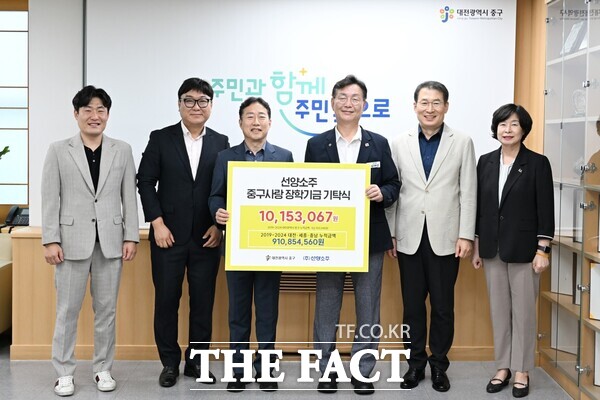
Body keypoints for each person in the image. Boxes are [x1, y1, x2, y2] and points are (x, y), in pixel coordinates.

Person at [304, 75, 400, 395]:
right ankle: (327, 370)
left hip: (369, 238)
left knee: (368, 306)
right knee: (326, 305)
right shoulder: (316, 144)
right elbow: (307, 188)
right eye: (342, 97)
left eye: (355, 98)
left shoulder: (379, 143)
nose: (348, 103)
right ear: (332, 103)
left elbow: (393, 184)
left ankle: (362, 370)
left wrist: (382, 192)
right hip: (329, 239)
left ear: (365, 105)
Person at [42, 86, 139, 396]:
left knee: (106, 312)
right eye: (88, 110)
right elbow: (50, 197)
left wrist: (131, 236)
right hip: (70, 243)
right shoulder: (59, 150)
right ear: (76, 114)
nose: (94, 116)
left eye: (101, 110)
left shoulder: (122, 149)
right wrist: (50, 240)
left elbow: (129, 196)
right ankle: (64, 372)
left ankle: (102, 369)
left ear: (107, 115)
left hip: (111, 242)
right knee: (67, 311)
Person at [137, 78, 230, 387]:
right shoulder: (161, 138)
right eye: (189, 100)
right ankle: (169, 363)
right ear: (179, 104)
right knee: (167, 301)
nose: (196, 106)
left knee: (203, 303)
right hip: (168, 236)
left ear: (211, 106)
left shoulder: (221, 142)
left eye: (203, 101)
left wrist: (218, 226)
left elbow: (227, 189)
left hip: (207, 237)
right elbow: (145, 181)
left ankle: (196, 362)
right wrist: (157, 223)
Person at [386, 81, 477, 392]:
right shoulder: (399, 143)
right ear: (414, 107)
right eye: (424, 103)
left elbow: (468, 192)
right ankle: (414, 364)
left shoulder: (461, 141)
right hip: (408, 235)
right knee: (412, 306)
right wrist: (391, 233)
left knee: (442, 306)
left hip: (447, 237)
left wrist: (466, 235)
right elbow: (394, 190)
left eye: (436, 103)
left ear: (446, 107)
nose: (430, 109)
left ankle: (439, 365)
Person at [209, 97, 293, 392]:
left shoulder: (284, 157)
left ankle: (266, 368)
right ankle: (239, 369)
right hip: (237, 247)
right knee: (238, 312)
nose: (256, 122)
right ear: (240, 122)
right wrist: (217, 213)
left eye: (261, 116)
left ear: (270, 122)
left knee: (268, 311)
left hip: (271, 248)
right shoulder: (225, 157)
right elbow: (215, 195)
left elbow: (291, 198)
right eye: (250, 116)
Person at [472, 104, 554, 398]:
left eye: (514, 124)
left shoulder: (537, 163)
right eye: (502, 124)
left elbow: (545, 208)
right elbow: (481, 208)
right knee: (499, 312)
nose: (507, 130)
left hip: (525, 251)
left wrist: (543, 249)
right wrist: (477, 246)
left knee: (523, 313)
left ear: (524, 129)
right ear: (495, 129)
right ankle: (503, 367)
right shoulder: (485, 162)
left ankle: (521, 370)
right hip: (492, 248)